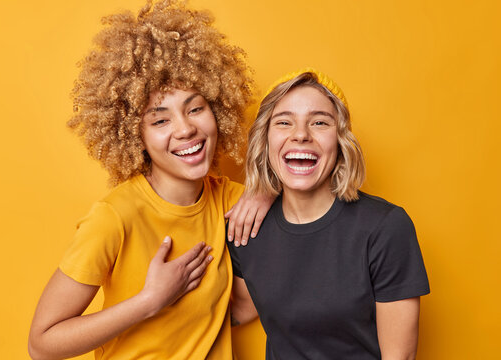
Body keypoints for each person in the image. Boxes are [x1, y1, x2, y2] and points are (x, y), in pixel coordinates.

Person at [28, 1, 271, 359]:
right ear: (133, 135)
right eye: (160, 121)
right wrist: (150, 301)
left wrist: (268, 189)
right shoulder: (114, 217)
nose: (186, 128)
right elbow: (42, 345)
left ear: (217, 109)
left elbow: (313, 200)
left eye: (195, 108)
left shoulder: (230, 201)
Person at [228, 69, 430, 359]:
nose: (300, 135)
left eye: (319, 122)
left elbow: (399, 357)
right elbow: (241, 309)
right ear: (265, 140)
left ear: (340, 140)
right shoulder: (246, 228)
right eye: (284, 122)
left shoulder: (385, 228)